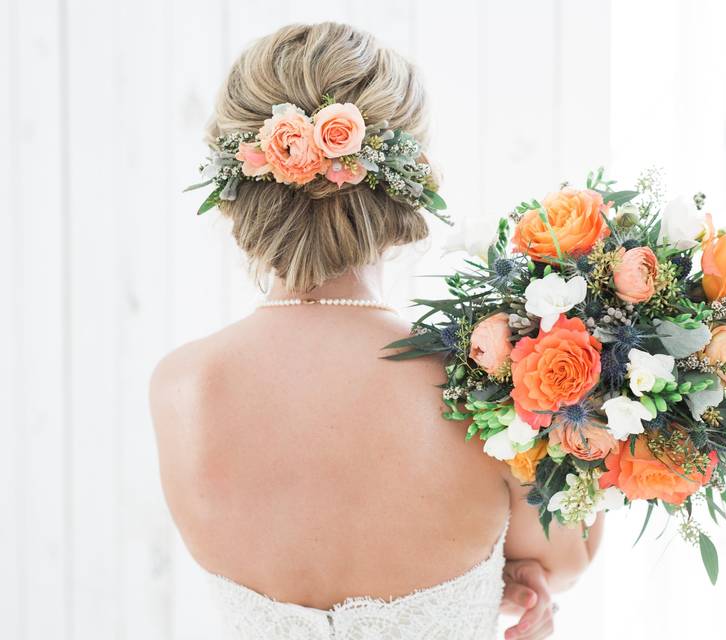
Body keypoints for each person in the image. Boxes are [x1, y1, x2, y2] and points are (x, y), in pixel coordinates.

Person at [150, 22, 602, 639]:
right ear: (410, 180)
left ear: (236, 180)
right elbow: (560, 561)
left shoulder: (182, 386)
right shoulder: (486, 382)